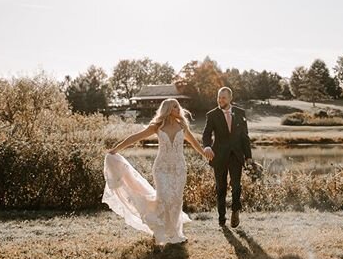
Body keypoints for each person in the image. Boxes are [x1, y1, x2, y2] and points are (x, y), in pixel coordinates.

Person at [102, 98, 213, 246]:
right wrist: (116, 149)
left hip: (179, 168)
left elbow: (195, 144)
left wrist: (206, 155)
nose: (178, 109)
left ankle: (175, 233)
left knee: (176, 200)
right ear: (167, 109)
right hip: (161, 168)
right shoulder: (157, 126)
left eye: (178, 106)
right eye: (174, 107)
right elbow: (136, 137)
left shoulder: (183, 126)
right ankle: (160, 233)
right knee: (164, 198)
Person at [202, 87, 253, 227]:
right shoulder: (212, 115)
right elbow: (206, 134)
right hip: (218, 156)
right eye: (219, 97)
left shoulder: (240, 113)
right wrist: (207, 146)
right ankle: (221, 218)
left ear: (230, 98)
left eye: (223, 97)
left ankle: (235, 210)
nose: (220, 100)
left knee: (236, 186)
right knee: (221, 188)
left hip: (236, 155)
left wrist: (248, 156)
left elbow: (244, 137)